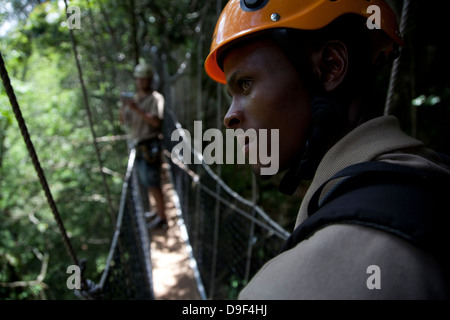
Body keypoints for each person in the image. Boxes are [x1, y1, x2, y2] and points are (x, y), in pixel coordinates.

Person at [205, 0, 450, 299]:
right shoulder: (428, 178)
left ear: (330, 67)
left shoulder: (287, 288)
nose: (228, 117)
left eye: (245, 84)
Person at [119, 62, 168, 230]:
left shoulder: (156, 98)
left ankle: (162, 217)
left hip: (150, 144)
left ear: (149, 80)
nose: (140, 83)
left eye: (144, 79)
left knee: (153, 182)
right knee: (147, 182)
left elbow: (156, 122)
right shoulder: (134, 99)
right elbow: (123, 121)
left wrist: (136, 108)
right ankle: (157, 211)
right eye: (138, 79)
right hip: (138, 146)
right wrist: (123, 106)